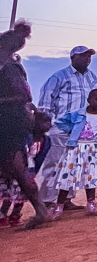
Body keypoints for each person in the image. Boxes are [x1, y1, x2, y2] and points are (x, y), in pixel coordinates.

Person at [0, 22, 51, 227]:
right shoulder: (11, 64)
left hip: (9, 122)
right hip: (12, 121)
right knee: (15, 171)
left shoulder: (10, 66)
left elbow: (22, 95)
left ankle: (40, 210)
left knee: (18, 170)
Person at [37, 45, 97, 206]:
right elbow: (46, 101)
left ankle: (66, 200)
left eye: (89, 56)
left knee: (73, 165)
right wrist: (48, 124)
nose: (87, 59)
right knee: (55, 163)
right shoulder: (59, 76)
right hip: (60, 127)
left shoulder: (92, 77)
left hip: (82, 129)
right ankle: (47, 200)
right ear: (72, 58)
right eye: (83, 56)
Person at [52, 87, 97, 216]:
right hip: (76, 148)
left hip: (93, 148)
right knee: (68, 175)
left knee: (91, 175)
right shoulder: (78, 113)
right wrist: (72, 130)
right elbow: (60, 122)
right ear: (89, 100)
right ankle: (58, 206)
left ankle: (91, 204)